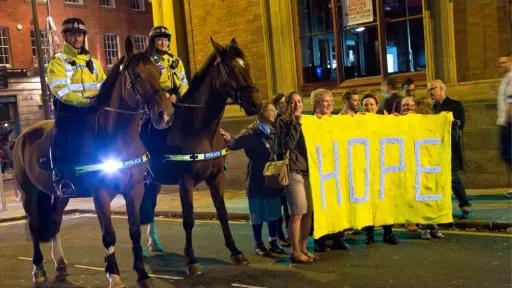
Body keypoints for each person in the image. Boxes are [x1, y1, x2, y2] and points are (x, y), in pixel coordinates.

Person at [139, 25, 189, 253]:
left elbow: (184, 82)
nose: (163, 43)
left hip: (174, 101)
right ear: (153, 42)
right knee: (148, 131)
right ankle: (149, 165)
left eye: (165, 39)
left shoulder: (176, 61)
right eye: (158, 39)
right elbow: (148, 84)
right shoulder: (149, 61)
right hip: (155, 105)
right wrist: (161, 97)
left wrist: (177, 94)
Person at [47, 17, 106, 197]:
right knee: (64, 136)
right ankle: (61, 176)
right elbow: (61, 90)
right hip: (69, 110)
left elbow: (103, 85)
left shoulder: (94, 63)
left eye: (79, 34)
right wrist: (86, 101)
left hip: (93, 109)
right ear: (65, 36)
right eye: (72, 35)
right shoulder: (58, 61)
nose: (77, 38)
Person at [220, 102, 286, 257]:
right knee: (257, 212)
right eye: (270, 110)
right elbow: (235, 143)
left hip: (273, 177)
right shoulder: (251, 132)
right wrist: (228, 137)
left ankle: (273, 241)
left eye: (274, 110)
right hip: (257, 178)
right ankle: (258, 243)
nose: (273, 113)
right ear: (261, 113)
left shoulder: (273, 132)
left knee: (274, 212)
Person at [275, 91, 315, 264]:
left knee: (308, 213)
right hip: (293, 170)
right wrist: (296, 125)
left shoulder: (308, 120)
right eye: (293, 102)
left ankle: (304, 247)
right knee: (297, 213)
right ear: (288, 105)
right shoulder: (282, 122)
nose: (297, 104)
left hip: (308, 171)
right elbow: (287, 145)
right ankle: (295, 251)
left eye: (300, 101)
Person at [309, 89, 349, 252]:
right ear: (317, 103)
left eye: (331, 100)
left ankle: (338, 237)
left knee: (337, 204)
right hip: (320, 170)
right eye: (326, 100)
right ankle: (320, 239)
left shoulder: (337, 121)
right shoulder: (311, 122)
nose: (331, 103)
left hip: (336, 169)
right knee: (321, 205)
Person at [428, 79, 472, 218]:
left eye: (432, 89)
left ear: (441, 89)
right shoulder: (432, 108)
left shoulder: (455, 105)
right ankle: (443, 207)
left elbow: (460, 126)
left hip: (450, 147)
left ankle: (464, 205)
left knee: (452, 177)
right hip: (435, 147)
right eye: (428, 90)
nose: (430, 93)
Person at [360, 92, 399, 245]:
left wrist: (396, 119)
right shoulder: (355, 122)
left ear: (376, 107)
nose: (369, 107)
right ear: (361, 107)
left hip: (383, 167)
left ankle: (388, 232)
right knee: (368, 202)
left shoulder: (385, 121)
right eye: (365, 105)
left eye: (371, 104)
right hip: (366, 168)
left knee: (385, 201)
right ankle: (369, 234)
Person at [271, 92, 291, 246]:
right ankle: (279, 234)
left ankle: (288, 232)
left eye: (286, 102)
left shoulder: (288, 119)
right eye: (282, 103)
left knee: (287, 203)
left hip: (287, 164)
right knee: (279, 201)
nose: (285, 105)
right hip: (278, 164)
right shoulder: (276, 121)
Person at [497, 55, 512, 198]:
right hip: (504, 121)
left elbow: (511, 101)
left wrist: (508, 121)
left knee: (509, 155)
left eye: (504, 62)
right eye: (500, 63)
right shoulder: (505, 79)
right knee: (507, 156)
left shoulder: (511, 78)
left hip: (508, 123)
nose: (501, 65)